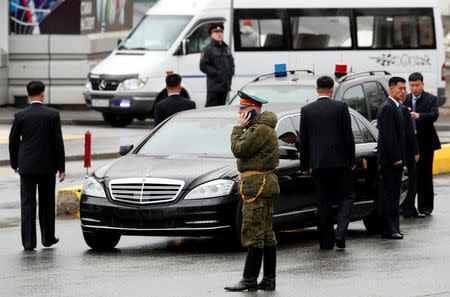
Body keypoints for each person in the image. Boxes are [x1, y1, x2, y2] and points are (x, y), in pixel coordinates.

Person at [225, 91, 279, 291]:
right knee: (265, 233)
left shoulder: (260, 129)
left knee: (254, 231)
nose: (240, 113)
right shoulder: (260, 127)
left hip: (257, 184)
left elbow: (239, 149)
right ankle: (269, 279)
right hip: (261, 183)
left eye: (243, 109)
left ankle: (249, 279)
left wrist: (237, 128)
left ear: (254, 110)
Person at [299, 75, 356, 250]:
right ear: (332, 89)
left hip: (318, 164)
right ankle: (340, 232)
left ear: (317, 90)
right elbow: (348, 136)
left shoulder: (307, 110)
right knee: (347, 196)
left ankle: (326, 242)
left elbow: (304, 141)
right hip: (340, 163)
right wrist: (351, 160)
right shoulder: (341, 107)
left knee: (323, 202)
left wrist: (305, 166)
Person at [9, 81, 65, 251]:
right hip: (47, 167)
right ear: (43, 94)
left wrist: (15, 164)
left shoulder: (20, 116)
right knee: (47, 203)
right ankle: (47, 239)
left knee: (27, 204)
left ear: (27, 95)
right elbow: (58, 143)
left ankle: (28, 243)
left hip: (27, 167)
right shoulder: (52, 115)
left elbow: (13, 142)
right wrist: (61, 167)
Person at [405, 72, 441, 215]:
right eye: (412, 85)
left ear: (422, 84)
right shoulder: (406, 99)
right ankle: (408, 206)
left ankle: (425, 206)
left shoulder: (430, 99)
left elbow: (434, 115)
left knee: (425, 175)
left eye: (417, 85)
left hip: (425, 143)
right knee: (410, 176)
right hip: (410, 143)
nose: (414, 88)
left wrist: (419, 116)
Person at [377, 77, 408, 239]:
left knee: (395, 194)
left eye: (404, 89)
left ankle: (394, 227)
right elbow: (388, 135)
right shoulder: (388, 108)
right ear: (391, 89)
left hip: (396, 159)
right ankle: (389, 229)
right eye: (400, 88)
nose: (403, 91)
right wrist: (396, 157)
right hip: (390, 160)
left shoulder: (397, 106)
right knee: (390, 195)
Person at [200, 22, 235, 107]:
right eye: (216, 32)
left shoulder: (226, 48)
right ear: (211, 35)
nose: (219, 34)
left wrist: (231, 72)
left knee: (221, 109)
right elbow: (203, 66)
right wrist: (217, 73)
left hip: (225, 86)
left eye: (221, 32)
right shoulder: (208, 49)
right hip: (214, 87)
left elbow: (231, 63)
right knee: (211, 109)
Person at [399, 94, 422, 219]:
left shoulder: (391, 108)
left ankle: (404, 208)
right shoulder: (403, 110)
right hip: (407, 151)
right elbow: (410, 133)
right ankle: (410, 209)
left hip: (398, 151)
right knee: (411, 180)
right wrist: (416, 151)